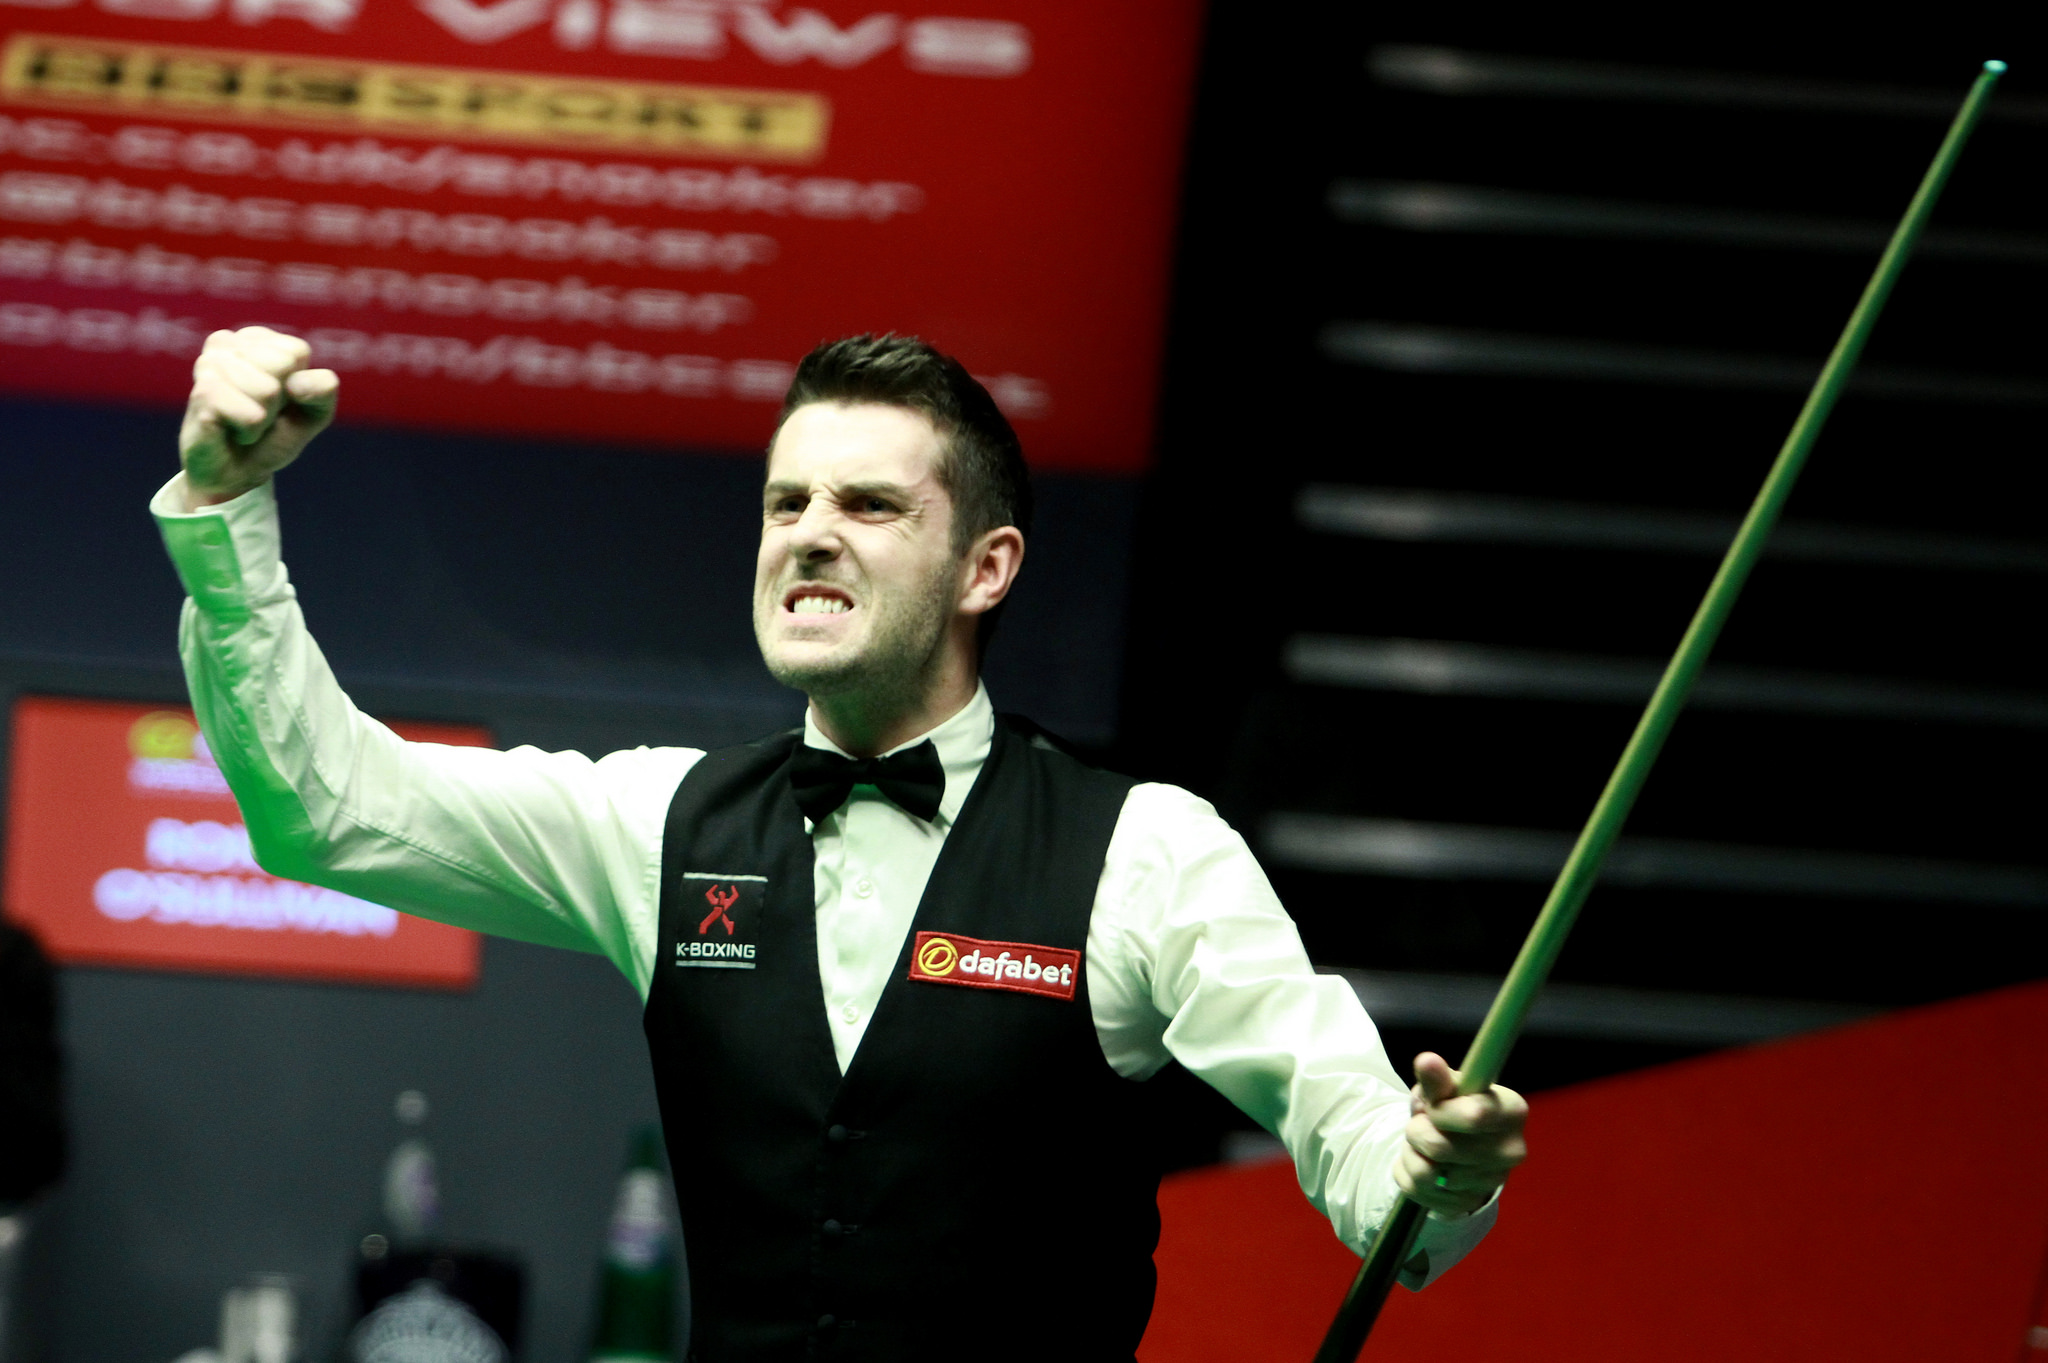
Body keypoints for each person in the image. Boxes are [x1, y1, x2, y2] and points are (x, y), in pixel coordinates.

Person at [156, 326, 1528, 1361]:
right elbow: (322, 804)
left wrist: (1430, 1170)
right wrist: (227, 510)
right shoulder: (661, 825)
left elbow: (1359, 1145)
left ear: (986, 568)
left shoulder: (1149, 852)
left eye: (869, 507)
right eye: (786, 503)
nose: (810, 535)